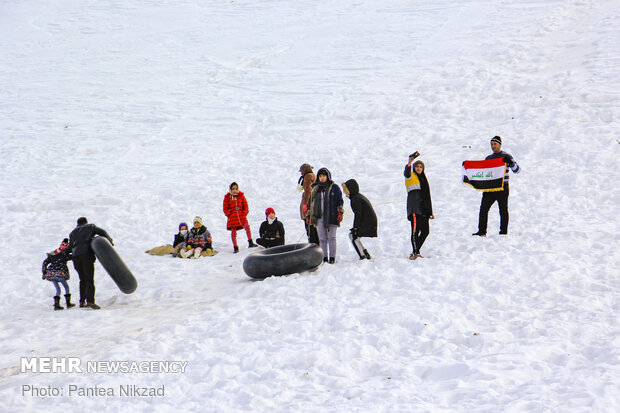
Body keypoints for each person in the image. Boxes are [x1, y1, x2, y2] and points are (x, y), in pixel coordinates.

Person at [472, 136, 521, 236]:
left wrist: (511, 163)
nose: (493, 146)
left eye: (495, 144)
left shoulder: (506, 156)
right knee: (483, 209)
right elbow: (483, 172)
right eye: (491, 144)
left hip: (503, 187)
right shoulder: (488, 158)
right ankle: (482, 231)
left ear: (500, 145)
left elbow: (517, 170)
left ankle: (503, 232)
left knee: (503, 209)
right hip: (490, 188)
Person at [69, 217, 113, 309]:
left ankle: (82, 301)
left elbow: (70, 247)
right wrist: (110, 241)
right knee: (89, 279)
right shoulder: (90, 226)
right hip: (86, 255)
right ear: (86, 222)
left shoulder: (72, 233)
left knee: (82, 280)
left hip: (76, 257)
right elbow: (102, 232)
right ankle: (90, 301)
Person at [308, 168, 344, 264]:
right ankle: (324, 257)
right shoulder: (315, 189)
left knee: (332, 237)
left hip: (332, 216)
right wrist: (309, 215)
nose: (322, 178)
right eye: (320, 176)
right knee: (322, 239)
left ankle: (332, 257)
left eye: (324, 176)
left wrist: (340, 212)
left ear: (328, 176)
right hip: (319, 216)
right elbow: (310, 203)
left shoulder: (334, 188)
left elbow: (340, 200)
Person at [404, 154, 435, 259]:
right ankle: (416, 253)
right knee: (415, 231)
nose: (418, 168)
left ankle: (415, 251)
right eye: (417, 166)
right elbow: (406, 172)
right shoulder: (410, 176)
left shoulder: (424, 179)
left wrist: (430, 211)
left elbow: (427, 196)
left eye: (421, 167)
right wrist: (409, 163)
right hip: (414, 207)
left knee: (426, 231)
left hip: (424, 209)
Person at [342, 179, 377, 260]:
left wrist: (356, 227)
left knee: (353, 237)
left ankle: (362, 256)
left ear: (350, 190)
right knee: (355, 237)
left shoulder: (355, 199)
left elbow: (358, 214)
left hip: (368, 222)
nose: (345, 193)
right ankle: (365, 252)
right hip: (369, 221)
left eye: (346, 190)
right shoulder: (358, 196)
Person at [41, 238, 75, 310]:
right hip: (61, 273)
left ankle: (56, 305)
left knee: (58, 289)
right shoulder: (65, 254)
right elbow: (73, 257)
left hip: (51, 274)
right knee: (66, 287)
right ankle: (68, 303)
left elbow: (45, 262)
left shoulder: (53, 254)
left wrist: (44, 272)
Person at [223, 182, 256, 253]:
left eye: (236, 188)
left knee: (247, 226)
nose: (234, 190)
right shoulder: (227, 198)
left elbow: (246, 206)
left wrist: (244, 213)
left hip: (241, 216)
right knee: (233, 231)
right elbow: (225, 208)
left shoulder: (241, 196)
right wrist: (229, 214)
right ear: (230, 190)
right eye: (233, 189)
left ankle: (250, 242)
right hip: (232, 217)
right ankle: (235, 246)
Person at [299, 163, 319, 244]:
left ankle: (313, 246)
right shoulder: (313, 176)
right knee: (313, 228)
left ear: (304, 170)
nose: (301, 173)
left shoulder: (308, 177)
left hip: (310, 207)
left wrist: (305, 205)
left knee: (310, 229)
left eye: (301, 171)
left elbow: (308, 191)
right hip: (314, 205)